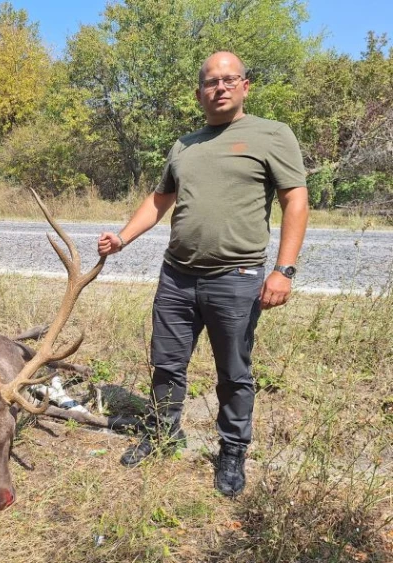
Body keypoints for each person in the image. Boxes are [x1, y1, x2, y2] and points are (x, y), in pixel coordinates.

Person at [98, 52, 308, 496]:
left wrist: (283, 269)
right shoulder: (184, 146)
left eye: (230, 79)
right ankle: (162, 433)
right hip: (177, 277)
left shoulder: (271, 135)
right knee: (167, 363)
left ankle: (232, 451)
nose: (221, 87)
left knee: (233, 371)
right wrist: (122, 238)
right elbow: (158, 201)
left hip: (236, 276)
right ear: (199, 93)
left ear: (245, 86)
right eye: (211, 82)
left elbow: (295, 200)